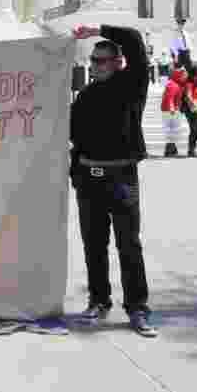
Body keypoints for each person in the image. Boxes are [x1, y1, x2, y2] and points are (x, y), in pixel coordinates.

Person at [69, 23, 156, 337]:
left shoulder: (132, 85)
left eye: (102, 60)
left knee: (129, 246)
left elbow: (133, 38)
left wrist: (97, 29)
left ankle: (137, 308)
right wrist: (77, 175)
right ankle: (98, 301)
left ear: (118, 62)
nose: (96, 65)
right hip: (89, 181)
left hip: (121, 178)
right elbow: (73, 140)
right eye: (93, 60)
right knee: (94, 246)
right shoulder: (84, 97)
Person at [160, 68, 188, 157]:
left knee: (173, 131)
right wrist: (171, 108)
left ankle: (172, 149)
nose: (185, 77)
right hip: (170, 111)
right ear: (179, 75)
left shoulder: (176, 84)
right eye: (184, 75)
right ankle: (169, 150)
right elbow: (169, 98)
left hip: (172, 110)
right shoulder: (173, 85)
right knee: (172, 130)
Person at [181, 67, 197, 158]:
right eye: (196, 75)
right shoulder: (189, 84)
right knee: (194, 129)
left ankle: (192, 148)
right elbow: (188, 96)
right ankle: (191, 149)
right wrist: (193, 104)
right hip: (191, 110)